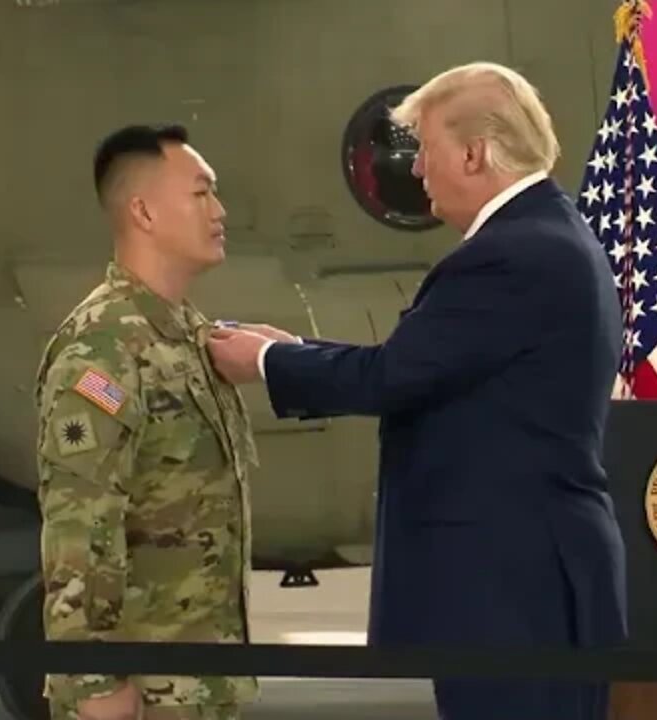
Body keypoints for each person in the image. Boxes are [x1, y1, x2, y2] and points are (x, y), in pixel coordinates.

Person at [206, 62, 628, 720]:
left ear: (473, 152)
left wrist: (265, 362)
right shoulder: (547, 238)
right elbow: (427, 364)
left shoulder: (512, 255)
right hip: (527, 575)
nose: (418, 170)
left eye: (424, 151)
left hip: (509, 586)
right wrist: (292, 350)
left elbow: (393, 376)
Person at [34, 123, 259, 720]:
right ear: (143, 211)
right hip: (146, 694)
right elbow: (80, 528)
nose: (220, 209)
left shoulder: (186, 336)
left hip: (199, 686)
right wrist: (94, 685)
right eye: (201, 193)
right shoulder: (103, 349)